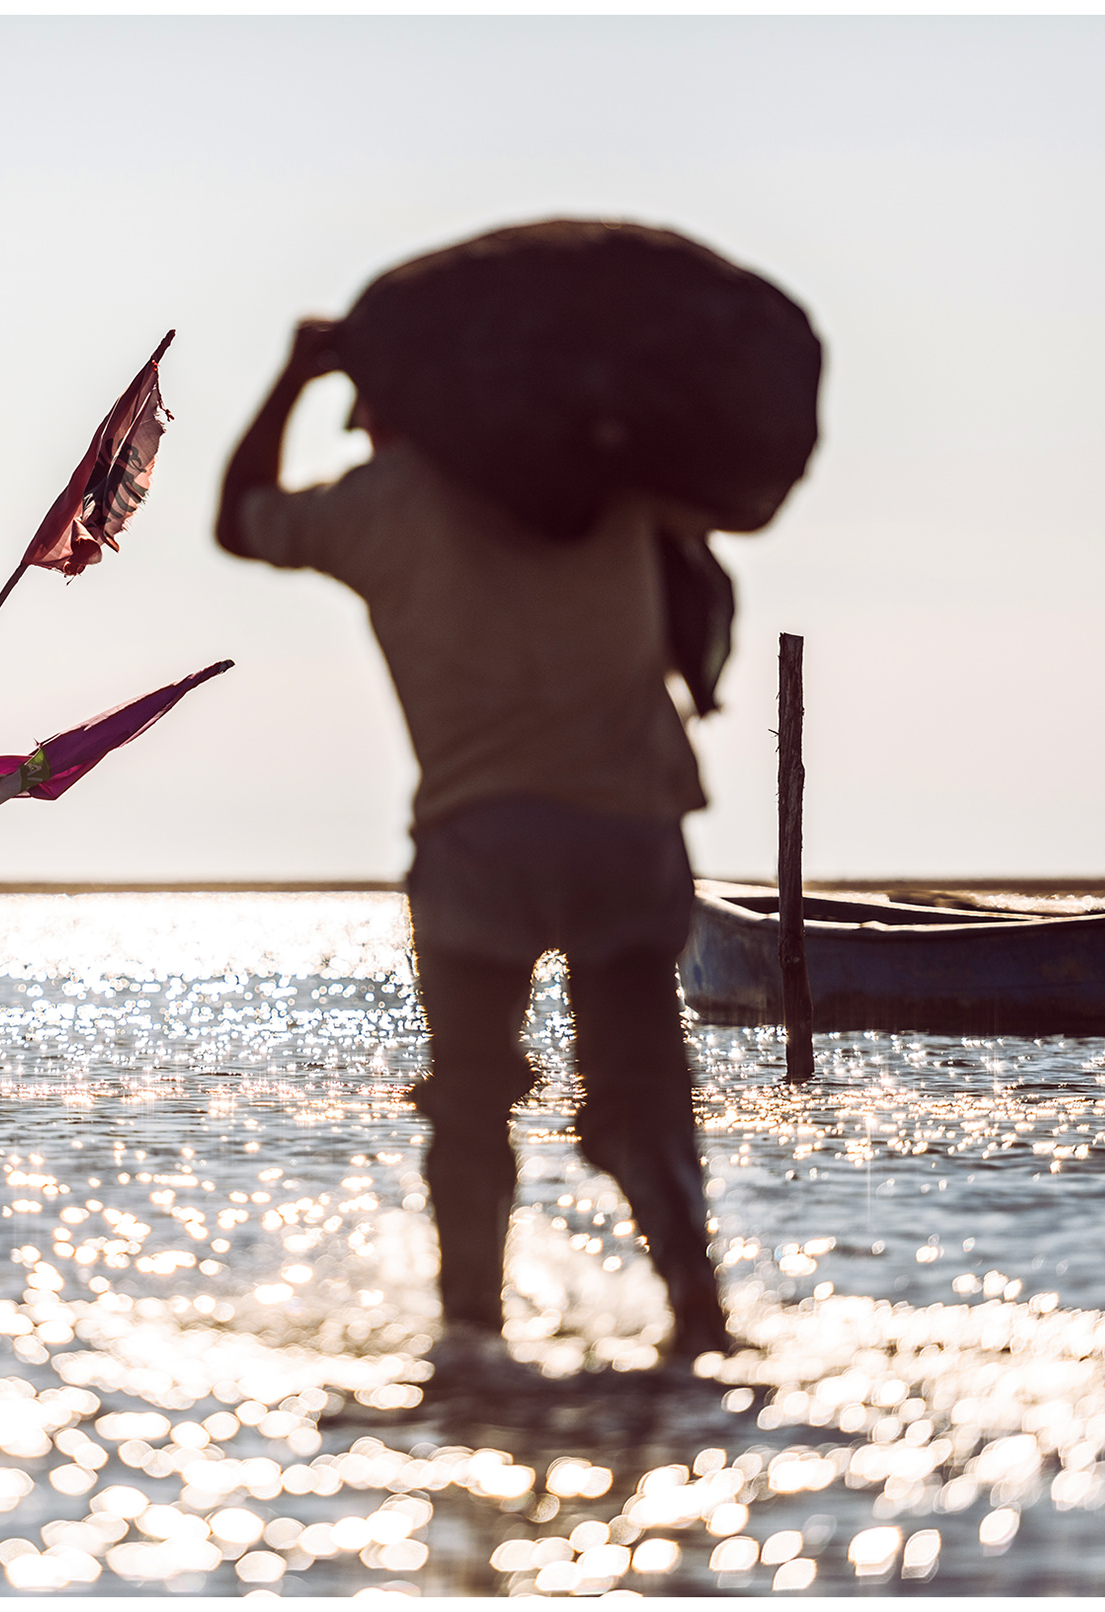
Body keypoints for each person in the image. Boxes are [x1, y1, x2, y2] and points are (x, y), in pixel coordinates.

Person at [215, 318, 734, 1386]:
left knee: (471, 1092)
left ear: (401, 411)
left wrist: (294, 375)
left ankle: (471, 1335)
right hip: (629, 830)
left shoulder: (387, 503)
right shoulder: (613, 481)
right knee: (643, 1079)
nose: (357, 434)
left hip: (477, 839)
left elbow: (238, 517)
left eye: (363, 414)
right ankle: (697, 1314)